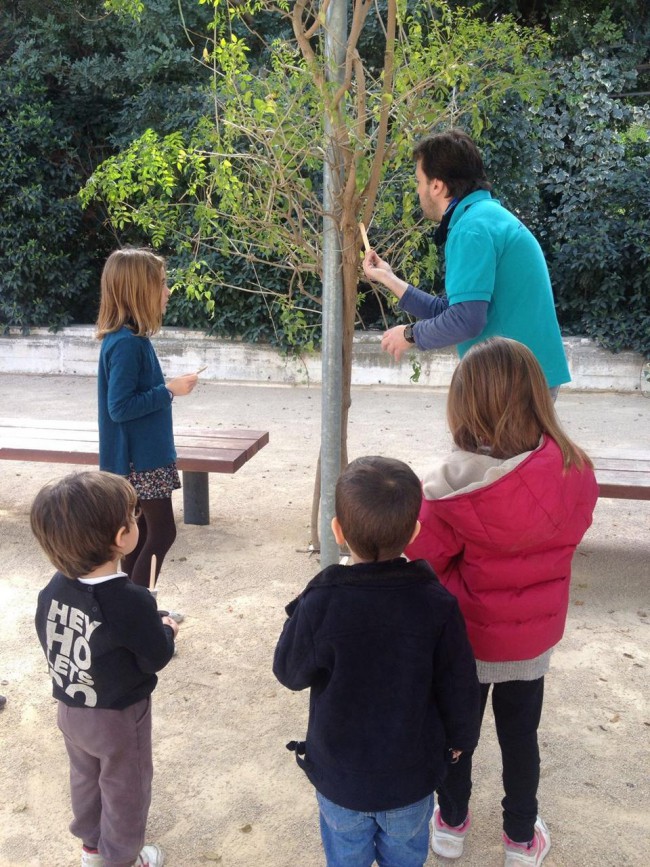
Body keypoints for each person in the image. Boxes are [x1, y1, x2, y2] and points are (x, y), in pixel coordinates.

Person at [405, 337, 598, 866]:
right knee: (521, 737)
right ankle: (519, 838)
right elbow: (574, 531)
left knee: (456, 735)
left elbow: (425, 559)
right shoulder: (573, 470)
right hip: (531, 639)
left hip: (464, 639)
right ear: (536, 395)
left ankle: (450, 822)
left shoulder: (447, 487)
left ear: (464, 405)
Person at [273, 456, 481, 867]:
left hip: (341, 780)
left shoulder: (322, 603)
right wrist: (461, 741)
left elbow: (289, 672)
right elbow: (460, 684)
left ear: (337, 531)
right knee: (405, 856)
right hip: (411, 777)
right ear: (415, 531)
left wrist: (312, 598)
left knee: (345, 855)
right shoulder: (436, 603)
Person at [31, 470, 179, 867]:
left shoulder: (54, 587)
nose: (137, 522)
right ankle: (121, 859)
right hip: (117, 717)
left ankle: (92, 848)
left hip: (70, 707)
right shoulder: (131, 600)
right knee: (125, 789)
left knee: (85, 779)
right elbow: (154, 658)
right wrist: (166, 629)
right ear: (121, 537)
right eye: (133, 517)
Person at [362, 128, 571, 394]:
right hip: (521, 377)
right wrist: (388, 278)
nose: (417, 190)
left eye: (418, 181)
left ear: (436, 185)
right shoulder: (484, 218)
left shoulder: (471, 229)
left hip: (514, 382)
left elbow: (466, 320)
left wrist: (409, 334)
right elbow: (452, 310)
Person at [96, 247, 199, 589]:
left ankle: (129, 607)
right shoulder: (126, 343)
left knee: (137, 536)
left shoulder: (128, 339)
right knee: (162, 532)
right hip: (141, 461)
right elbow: (120, 407)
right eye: (162, 283)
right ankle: (140, 608)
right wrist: (169, 391)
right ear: (139, 290)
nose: (168, 291)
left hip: (138, 458)